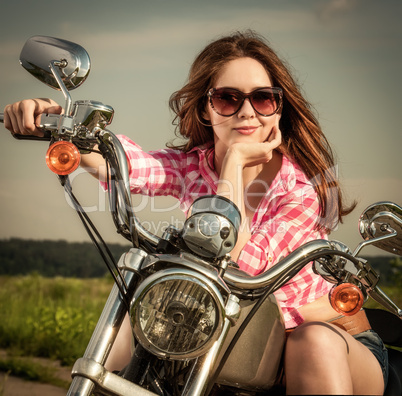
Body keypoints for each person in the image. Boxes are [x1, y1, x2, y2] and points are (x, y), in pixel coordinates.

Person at [3, 30, 388, 395]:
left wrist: (235, 162)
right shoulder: (193, 165)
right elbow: (126, 162)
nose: (247, 111)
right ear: (207, 107)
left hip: (334, 343)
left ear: (279, 108)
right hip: (240, 340)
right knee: (138, 301)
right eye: (228, 98)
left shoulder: (301, 192)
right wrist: (54, 125)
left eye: (263, 98)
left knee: (312, 342)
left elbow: (239, 265)